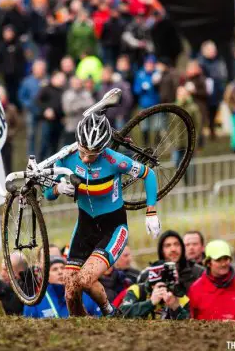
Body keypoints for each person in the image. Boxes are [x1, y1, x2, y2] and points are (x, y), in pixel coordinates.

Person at [44, 113, 159, 317]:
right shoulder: (65, 156)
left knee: (85, 280)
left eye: (93, 154)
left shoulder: (114, 159)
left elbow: (148, 174)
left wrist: (151, 211)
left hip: (113, 228)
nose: (87, 157)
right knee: (70, 291)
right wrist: (58, 188)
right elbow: (47, 193)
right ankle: (80, 328)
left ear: (103, 148)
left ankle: (110, 312)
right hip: (84, 227)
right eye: (83, 152)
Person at [188, 240, 235, 320]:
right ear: (208, 263)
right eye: (218, 260)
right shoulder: (196, 289)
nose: (223, 263)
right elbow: (191, 320)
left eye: (226, 259)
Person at [24, 256, 101, 318]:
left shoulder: (85, 294)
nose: (60, 272)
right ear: (46, 276)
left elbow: (102, 318)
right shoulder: (35, 301)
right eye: (54, 269)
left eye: (63, 268)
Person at [137, 230, 205, 295]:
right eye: (168, 245)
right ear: (161, 250)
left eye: (176, 244)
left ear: (182, 247)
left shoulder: (198, 272)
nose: (173, 249)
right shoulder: (149, 274)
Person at [120, 260, 190, 320]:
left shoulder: (179, 297)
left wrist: (176, 308)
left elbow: (190, 325)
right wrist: (150, 303)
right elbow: (121, 312)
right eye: (161, 286)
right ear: (152, 285)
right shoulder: (137, 290)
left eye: (170, 285)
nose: (166, 290)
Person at [18, 60, 48, 156]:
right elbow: (21, 96)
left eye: (42, 69)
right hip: (31, 112)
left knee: (44, 134)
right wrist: (29, 105)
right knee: (31, 135)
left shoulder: (48, 80)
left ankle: (43, 155)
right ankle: (31, 156)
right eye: (38, 69)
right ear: (33, 69)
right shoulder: (27, 82)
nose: (40, 71)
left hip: (45, 112)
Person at [36, 71, 66, 161]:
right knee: (44, 145)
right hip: (47, 121)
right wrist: (45, 110)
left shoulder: (63, 91)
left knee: (55, 146)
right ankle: (39, 164)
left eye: (63, 80)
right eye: (60, 79)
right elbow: (38, 102)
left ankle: (52, 166)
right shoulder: (46, 89)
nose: (62, 81)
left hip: (59, 121)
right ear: (53, 78)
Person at [133, 55, 161, 147]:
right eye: (148, 64)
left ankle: (157, 147)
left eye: (151, 64)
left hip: (156, 104)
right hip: (144, 105)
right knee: (145, 127)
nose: (149, 66)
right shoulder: (140, 74)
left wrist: (157, 83)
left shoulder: (157, 74)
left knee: (157, 126)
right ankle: (146, 145)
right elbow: (136, 90)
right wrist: (142, 88)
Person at [61, 76, 94, 145]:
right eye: (75, 83)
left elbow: (91, 106)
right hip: (71, 127)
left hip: (84, 127)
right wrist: (81, 106)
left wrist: (76, 105)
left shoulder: (86, 93)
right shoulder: (67, 94)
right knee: (68, 149)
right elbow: (67, 110)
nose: (77, 85)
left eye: (79, 83)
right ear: (71, 84)